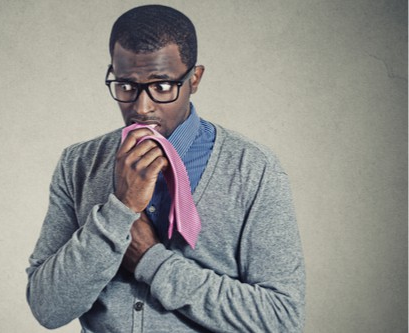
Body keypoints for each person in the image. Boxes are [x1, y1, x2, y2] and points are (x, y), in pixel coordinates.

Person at [26, 4, 305, 332]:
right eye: (127, 86)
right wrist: (119, 211)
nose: (141, 108)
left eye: (161, 86)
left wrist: (152, 261)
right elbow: (47, 308)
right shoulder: (78, 164)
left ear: (195, 79)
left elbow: (282, 320)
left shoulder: (253, 170)